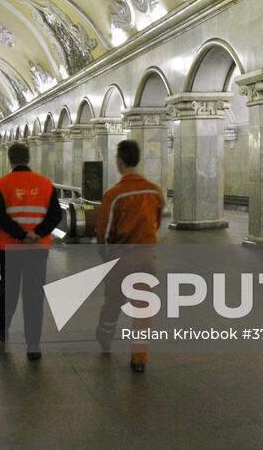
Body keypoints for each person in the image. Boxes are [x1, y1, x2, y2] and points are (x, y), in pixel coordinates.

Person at [95, 138, 166, 373]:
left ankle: (105, 337)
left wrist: (105, 257)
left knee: (113, 301)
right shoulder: (154, 191)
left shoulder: (115, 194)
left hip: (121, 257)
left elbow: (104, 232)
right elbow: (156, 222)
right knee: (144, 309)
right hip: (147, 256)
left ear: (119, 161)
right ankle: (139, 358)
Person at [0, 141, 62, 360]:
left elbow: (0, 217)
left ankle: (2, 328)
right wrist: (37, 234)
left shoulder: (2, 184)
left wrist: (21, 235)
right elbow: (55, 215)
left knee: (8, 290)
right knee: (34, 294)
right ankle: (33, 344)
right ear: (28, 158)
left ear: (10, 159)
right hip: (38, 249)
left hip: (9, 247)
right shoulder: (46, 184)